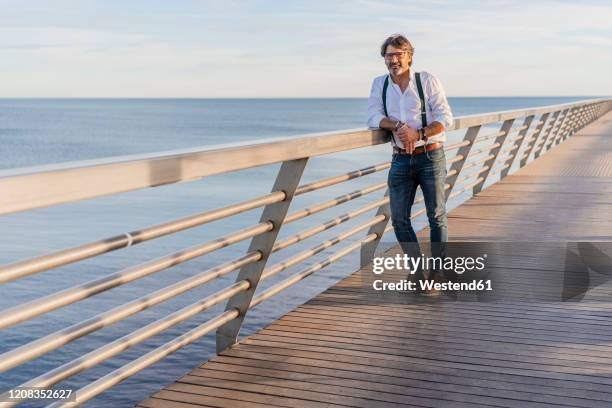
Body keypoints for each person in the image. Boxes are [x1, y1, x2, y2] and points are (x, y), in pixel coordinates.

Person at [367, 34, 453, 295]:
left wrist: (420, 133)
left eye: (398, 54)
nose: (393, 60)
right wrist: (399, 126)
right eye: (388, 55)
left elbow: (445, 117)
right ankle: (417, 271)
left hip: (430, 155)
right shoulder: (379, 84)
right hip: (400, 158)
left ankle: (436, 274)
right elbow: (373, 116)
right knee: (400, 219)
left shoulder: (426, 80)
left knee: (436, 215)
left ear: (409, 56)